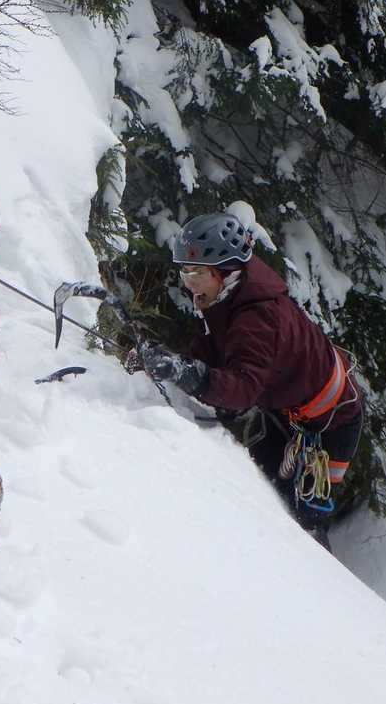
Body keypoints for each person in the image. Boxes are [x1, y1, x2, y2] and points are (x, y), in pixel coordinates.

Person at [142, 211, 362, 547]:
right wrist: (175, 363)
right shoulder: (230, 294)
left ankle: (313, 570)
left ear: (224, 270)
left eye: (195, 272)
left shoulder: (257, 316)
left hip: (333, 424)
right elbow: (216, 348)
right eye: (184, 272)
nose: (188, 283)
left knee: (304, 519)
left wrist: (187, 373)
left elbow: (243, 388)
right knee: (268, 493)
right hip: (290, 409)